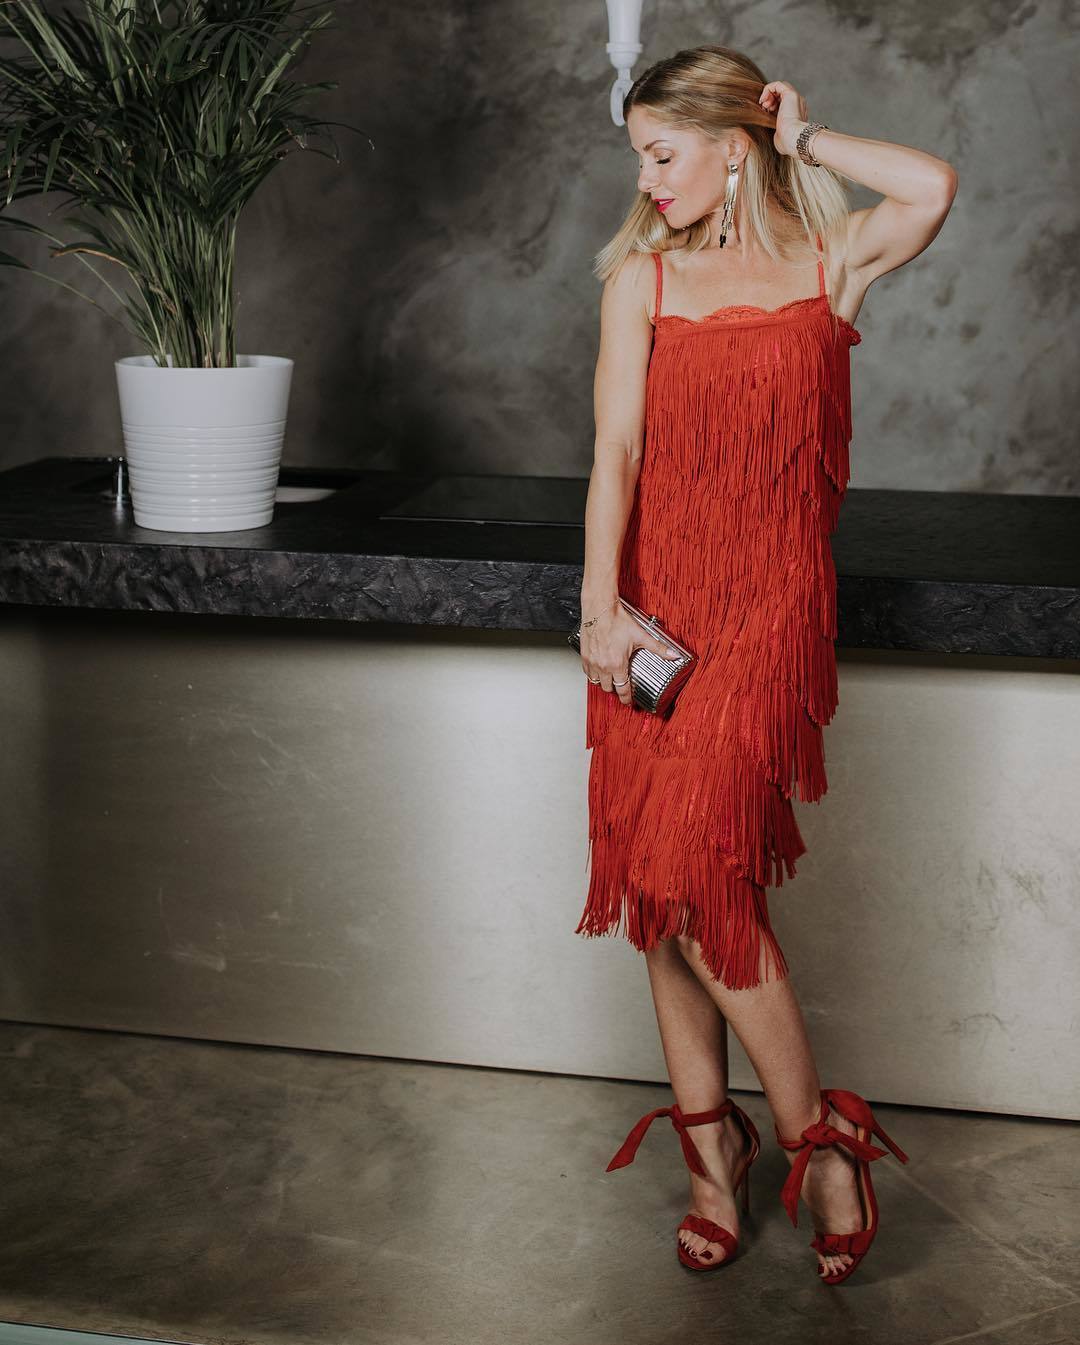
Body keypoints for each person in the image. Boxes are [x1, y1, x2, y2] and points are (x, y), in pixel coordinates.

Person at [573, 44, 957, 1283]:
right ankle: (710, 1155)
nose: (647, 178)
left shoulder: (830, 261)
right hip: (656, 611)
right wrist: (599, 611)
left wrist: (809, 137)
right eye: (640, 157)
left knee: (697, 878)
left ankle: (815, 1139)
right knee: (658, 890)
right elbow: (616, 452)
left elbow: (932, 187)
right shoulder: (643, 276)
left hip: (770, 609)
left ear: (731, 146)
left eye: (662, 152)